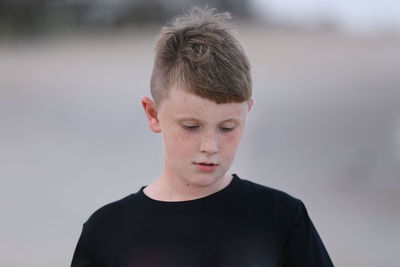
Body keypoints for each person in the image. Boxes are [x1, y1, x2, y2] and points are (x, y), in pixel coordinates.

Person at [71, 7, 334, 267]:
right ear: (153, 114)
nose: (210, 147)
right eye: (191, 126)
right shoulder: (106, 232)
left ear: (248, 112)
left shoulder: (283, 218)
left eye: (227, 127)